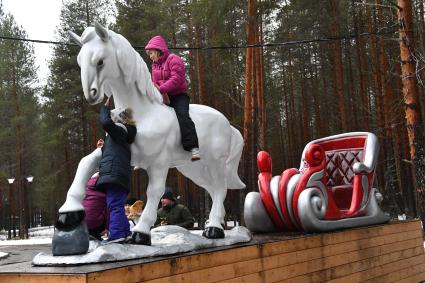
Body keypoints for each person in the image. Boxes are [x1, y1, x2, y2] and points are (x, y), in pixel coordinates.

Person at [145, 35, 200, 161]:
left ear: (158, 50)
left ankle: (193, 148)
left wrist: (162, 89)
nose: (150, 56)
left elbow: (177, 78)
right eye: (148, 54)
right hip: (163, 97)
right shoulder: (154, 65)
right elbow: (155, 82)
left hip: (178, 95)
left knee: (182, 115)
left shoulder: (173, 59)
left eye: (151, 53)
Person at [96, 96, 137, 244]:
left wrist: (105, 108)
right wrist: (104, 147)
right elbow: (114, 152)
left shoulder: (119, 130)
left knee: (114, 204)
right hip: (118, 173)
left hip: (114, 173)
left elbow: (106, 122)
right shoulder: (123, 134)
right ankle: (125, 232)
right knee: (116, 203)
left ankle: (118, 234)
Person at [82, 139, 108, 241]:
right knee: (108, 208)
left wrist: (99, 149)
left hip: (81, 222)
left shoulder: (87, 186)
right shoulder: (105, 189)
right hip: (96, 224)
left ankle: (89, 233)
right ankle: (96, 233)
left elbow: (96, 164)